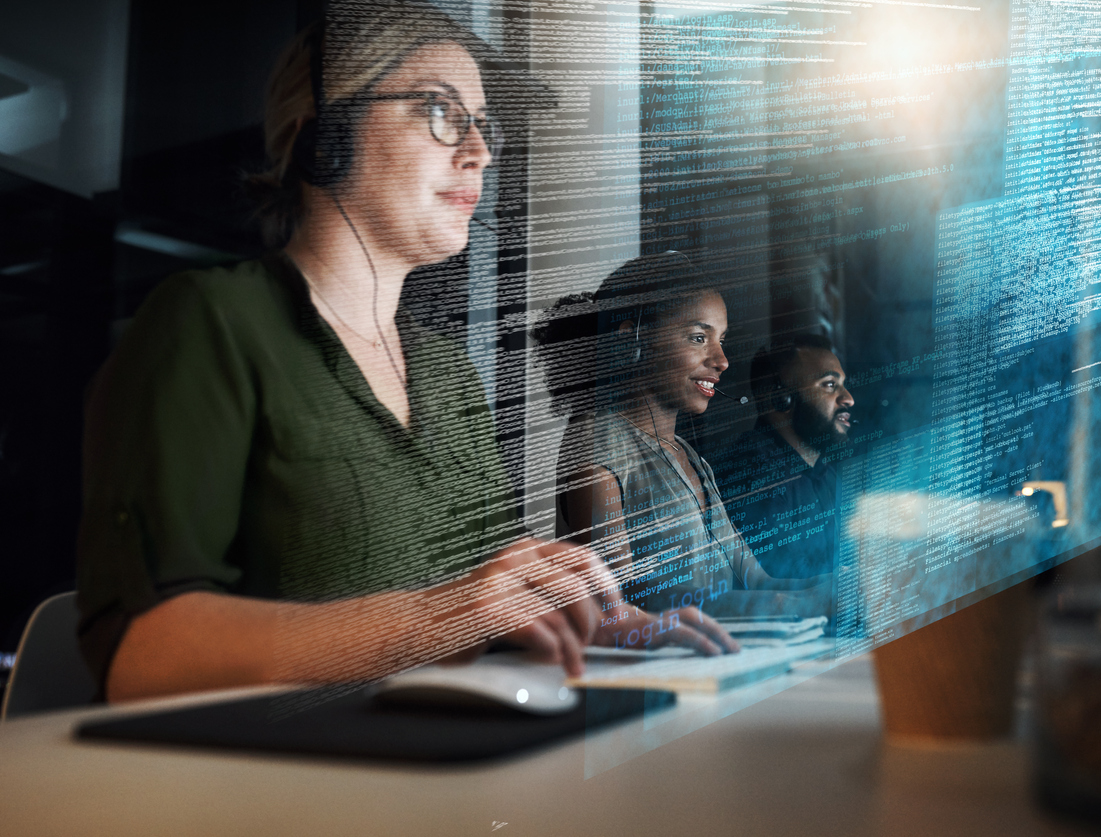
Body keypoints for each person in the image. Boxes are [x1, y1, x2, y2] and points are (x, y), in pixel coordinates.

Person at [75, 3, 730, 704]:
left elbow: (495, 600)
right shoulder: (212, 323)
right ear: (325, 135)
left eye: (485, 125)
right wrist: (433, 618)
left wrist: (624, 631)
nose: (479, 151)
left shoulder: (449, 376)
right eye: (441, 112)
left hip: (445, 771)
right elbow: (137, 650)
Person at [532, 253, 835, 624]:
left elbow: (757, 581)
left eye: (721, 340)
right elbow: (620, 598)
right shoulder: (596, 443)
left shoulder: (689, 457)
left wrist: (840, 585)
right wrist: (788, 606)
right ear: (633, 341)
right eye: (698, 338)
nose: (722, 360)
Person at [708, 335, 862, 633]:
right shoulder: (751, 475)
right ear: (780, 399)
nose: (848, 398)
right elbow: (778, 582)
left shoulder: (825, 473)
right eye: (830, 384)